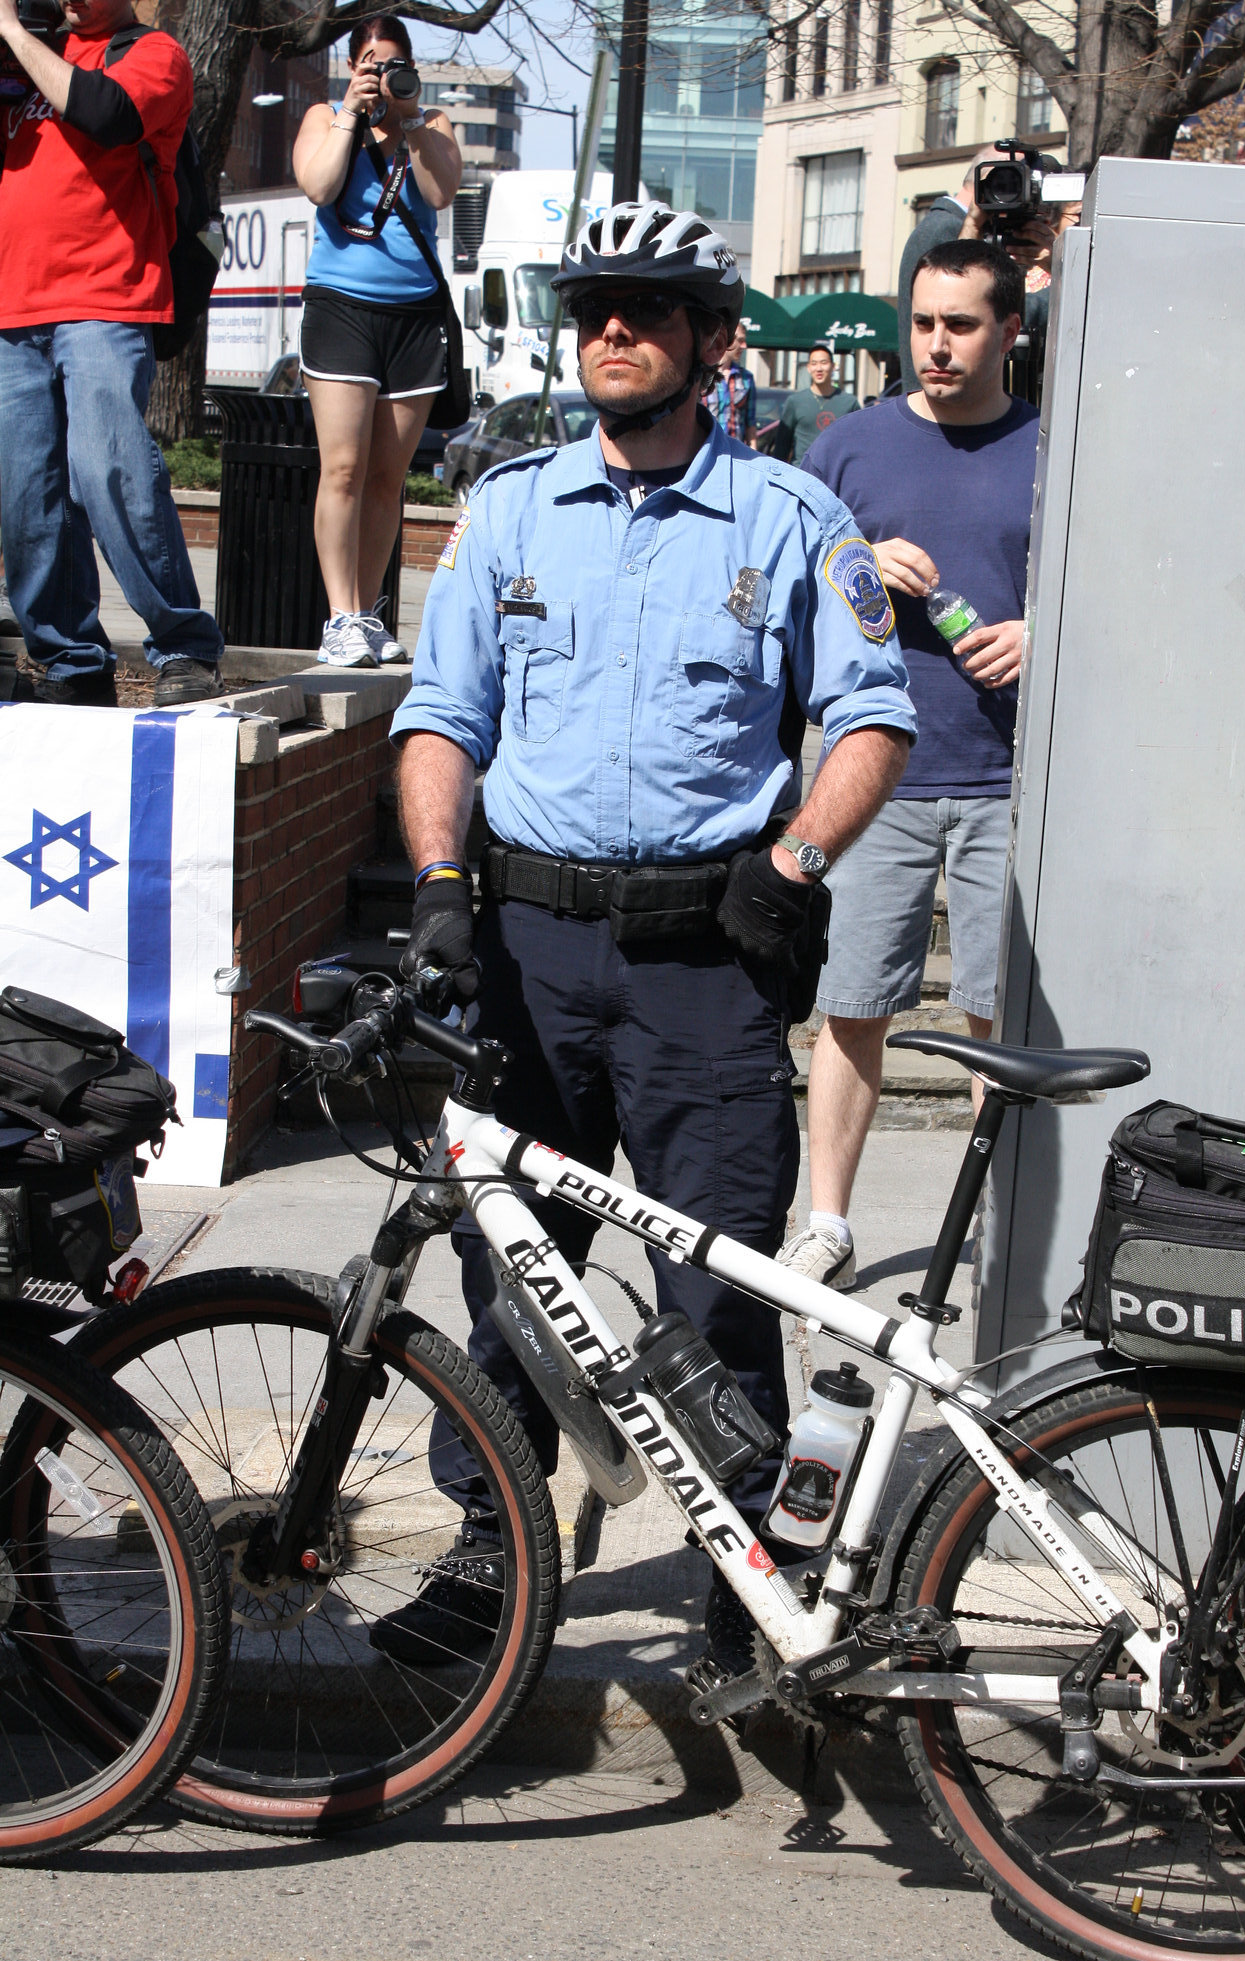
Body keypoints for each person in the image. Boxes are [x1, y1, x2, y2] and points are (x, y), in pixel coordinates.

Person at [380, 199, 916, 1673]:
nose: (610, 327)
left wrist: (798, 861)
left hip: (700, 969)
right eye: (593, 303)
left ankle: (747, 1585)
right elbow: (443, 719)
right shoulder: (505, 509)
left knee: (721, 1290)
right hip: (529, 955)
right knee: (510, 1282)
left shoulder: (791, 518)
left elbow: (873, 716)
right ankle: (493, 1557)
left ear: (710, 340)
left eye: (646, 307)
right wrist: (436, 883)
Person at [779, 239, 1037, 1291]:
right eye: (922, 322)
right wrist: (854, 564)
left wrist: (1039, 633)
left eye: (961, 324)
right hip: (870, 774)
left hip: (1012, 778)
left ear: (1010, 330)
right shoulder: (849, 448)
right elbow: (779, 589)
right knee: (850, 1006)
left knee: (996, 1021)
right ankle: (827, 1222)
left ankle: (999, 1237)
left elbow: (1120, 585)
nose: (935, 345)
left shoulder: (1055, 448)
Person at [0, 0, 225, 708]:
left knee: (110, 471)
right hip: (12, 309)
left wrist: (10, 31)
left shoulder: (150, 52)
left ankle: (183, 646)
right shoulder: (17, 65)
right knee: (29, 503)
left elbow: (108, 115)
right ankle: (72, 662)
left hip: (106, 298)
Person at [293, 14, 462, 669]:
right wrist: (349, 116)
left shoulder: (432, 124)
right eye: (370, 63)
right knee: (342, 468)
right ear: (351, 67)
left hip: (414, 317)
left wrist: (413, 118)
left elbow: (440, 191)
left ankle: (367, 611)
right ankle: (340, 616)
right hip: (341, 309)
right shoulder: (321, 116)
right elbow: (319, 185)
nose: (382, 75)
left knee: (389, 477)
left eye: (393, 64)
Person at [895, 143, 1057, 398]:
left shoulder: (962, 226)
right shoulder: (945, 228)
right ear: (991, 179)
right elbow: (968, 309)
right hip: (944, 404)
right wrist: (1061, 277)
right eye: (1016, 182)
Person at [770, 343, 859, 464]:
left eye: (824, 363)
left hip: (835, 473)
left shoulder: (849, 403)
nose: (819, 368)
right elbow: (782, 445)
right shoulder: (795, 401)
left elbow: (858, 442)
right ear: (808, 367)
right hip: (802, 473)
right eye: (814, 363)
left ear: (833, 366)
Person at [704, 330, 757, 445]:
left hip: (735, 452)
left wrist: (755, 454)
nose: (744, 346)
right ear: (726, 340)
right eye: (740, 340)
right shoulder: (704, 375)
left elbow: (750, 424)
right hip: (706, 448)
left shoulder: (746, 378)